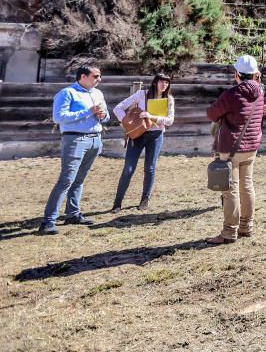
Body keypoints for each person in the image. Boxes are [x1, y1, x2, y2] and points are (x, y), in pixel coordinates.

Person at [39, 64, 110, 234]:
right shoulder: (67, 93)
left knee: (79, 179)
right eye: (96, 76)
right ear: (83, 77)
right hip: (75, 139)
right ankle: (48, 221)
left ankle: (73, 213)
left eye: (99, 76)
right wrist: (87, 112)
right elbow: (58, 117)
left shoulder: (98, 93)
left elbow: (106, 116)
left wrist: (103, 116)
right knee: (66, 180)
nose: (99, 79)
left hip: (95, 139)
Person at [205, 55, 266, 245]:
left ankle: (229, 232)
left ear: (236, 74)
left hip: (231, 148)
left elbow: (211, 114)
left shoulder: (231, 95)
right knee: (247, 186)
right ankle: (247, 227)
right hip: (251, 147)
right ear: (255, 74)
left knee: (230, 191)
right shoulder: (260, 92)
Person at [111, 72, 175, 211]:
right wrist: (126, 123)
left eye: (167, 82)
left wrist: (151, 116)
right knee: (128, 169)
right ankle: (117, 203)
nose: (164, 85)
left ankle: (144, 200)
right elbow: (118, 108)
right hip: (137, 135)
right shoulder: (141, 94)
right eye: (161, 82)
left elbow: (170, 121)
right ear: (155, 82)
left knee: (150, 168)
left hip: (156, 136)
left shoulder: (168, 99)